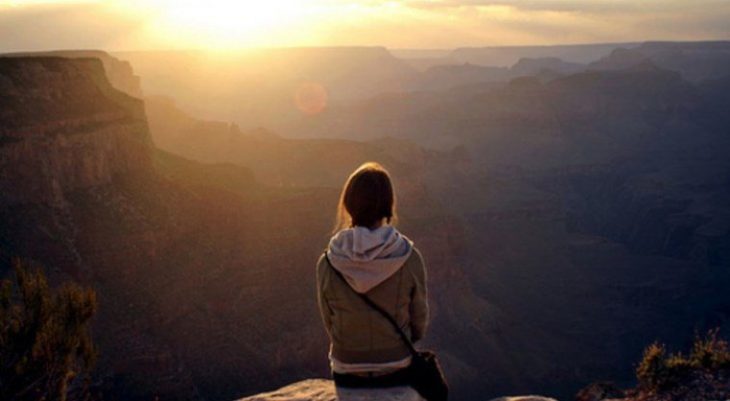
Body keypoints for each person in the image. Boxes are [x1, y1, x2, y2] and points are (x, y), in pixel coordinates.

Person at [316, 162, 429, 401]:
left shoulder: (327, 262)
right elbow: (420, 320)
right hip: (396, 366)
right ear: (388, 204)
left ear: (349, 203)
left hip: (346, 370)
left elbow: (329, 320)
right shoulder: (409, 257)